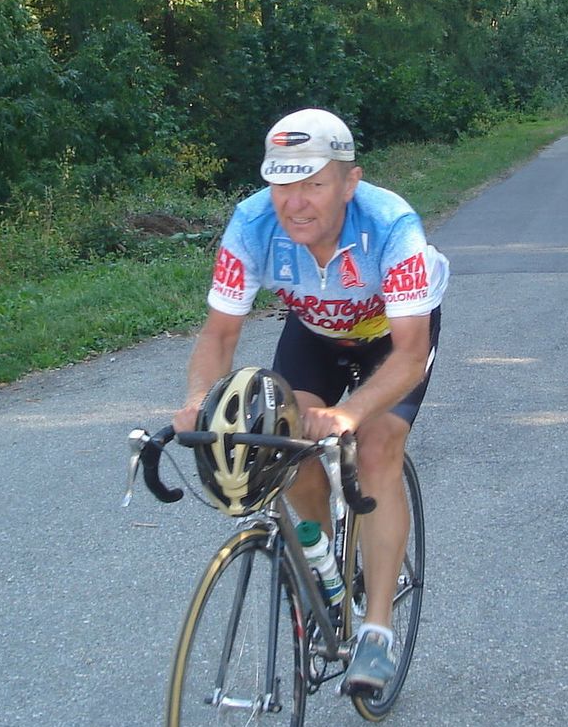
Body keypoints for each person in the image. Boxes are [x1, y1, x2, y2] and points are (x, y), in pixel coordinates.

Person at [174, 108, 448, 695]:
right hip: (315, 334)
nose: (294, 203)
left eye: (313, 184)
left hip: (390, 342)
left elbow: (410, 353)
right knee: (284, 441)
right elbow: (219, 335)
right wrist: (199, 398)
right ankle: (324, 567)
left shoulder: (391, 225)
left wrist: (350, 413)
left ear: (349, 182)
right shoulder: (251, 223)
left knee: (375, 447)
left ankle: (377, 631)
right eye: (281, 185)